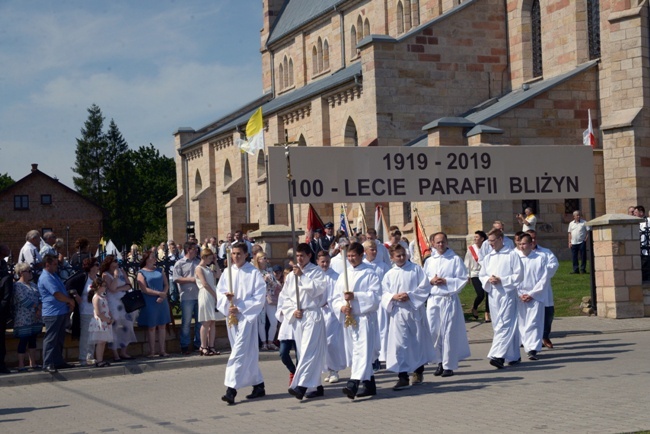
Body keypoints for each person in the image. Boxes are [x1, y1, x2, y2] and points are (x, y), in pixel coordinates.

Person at [216, 242, 267, 405]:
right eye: (233, 254)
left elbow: (259, 296)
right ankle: (258, 385)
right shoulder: (227, 272)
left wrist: (240, 307)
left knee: (238, 352)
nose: (235, 257)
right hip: (232, 318)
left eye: (239, 254)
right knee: (247, 352)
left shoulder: (253, 273)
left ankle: (231, 390)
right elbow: (220, 292)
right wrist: (227, 302)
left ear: (246, 255)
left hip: (246, 317)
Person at [331, 241, 381, 399]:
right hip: (350, 319)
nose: (351, 259)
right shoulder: (343, 275)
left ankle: (353, 384)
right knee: (356, 352)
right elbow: (335, 298)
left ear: (361, 255)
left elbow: (376, 297)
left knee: (362, 351)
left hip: (365, 318)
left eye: (354, 256)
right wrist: (341, 307)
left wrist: (356, 296)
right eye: (349, 256)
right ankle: (369, 384)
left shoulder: (370, 273)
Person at [382, 244, 434, 390]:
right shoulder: (389, 274)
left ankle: (418, 372)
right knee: (400, 344)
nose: (402, 257)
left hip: (413, 310)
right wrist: (394, 296)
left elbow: (424, 287)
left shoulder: (416, 269)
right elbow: (383, 293)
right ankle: (402, 376)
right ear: (392, 257)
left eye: (403, 254)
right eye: (398, 256)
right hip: (398, 313)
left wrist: (410, 296)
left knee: (417, 342)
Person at [281, 243, 327, 400]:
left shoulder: (316, 272)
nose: (299, 259)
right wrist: (292, 311)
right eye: (297, 256)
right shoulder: (291, 276)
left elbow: (318, 290)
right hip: (298, 317)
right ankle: (315, 386)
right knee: (303, 352)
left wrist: (302, 276)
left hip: (312, 315)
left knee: (309, 351)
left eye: (302, 256)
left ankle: (300, 386)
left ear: (309, 256)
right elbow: (285, 297)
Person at [421, 232, 471, 377]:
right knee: (434, 331)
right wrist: (431, 281)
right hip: (434, 299)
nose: (440, 245)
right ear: (433, 243)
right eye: (438, 242)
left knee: (448, 332)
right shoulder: (430, 261)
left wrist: (447, 281)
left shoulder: (455, 259)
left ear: (447, 242)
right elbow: (424, 279)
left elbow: (462, 278)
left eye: (443, 242)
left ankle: (449, 365)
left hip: (448, 299)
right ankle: (439, 362)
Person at [479, 229, 524, 369]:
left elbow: (519, 275)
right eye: (489, 241)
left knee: (504, 324)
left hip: (507, 294)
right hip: (493, 295)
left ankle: (497, 356)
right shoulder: (488, 257)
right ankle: (514, 355)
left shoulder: (512, 255)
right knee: (498, 324)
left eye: (492, 240)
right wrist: (488, 279)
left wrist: (502, 280)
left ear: (501, 239)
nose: (490, 244)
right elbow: (482, 274)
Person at [38, 254, 75, 373]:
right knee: (51, 339)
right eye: (54, 264)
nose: (56, 266)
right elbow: (57, 294)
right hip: (52, 313)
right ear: (47, 264)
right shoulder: (46, 277)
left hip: (60, 311)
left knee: (59, 339)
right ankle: (47, 363)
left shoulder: (53, 275)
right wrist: (69, 300)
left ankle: (58, 361)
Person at [516, 234, 549, 361]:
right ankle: (524, 344)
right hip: (519, 296)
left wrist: (532, 294)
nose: (521, 246)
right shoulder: (516, 258)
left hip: (535, 296)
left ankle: (532, 349)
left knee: (534, 322)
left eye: (524, 244)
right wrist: (519, 294)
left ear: (531, 244)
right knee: (522, 322)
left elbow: (543, 279)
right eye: (519, 244)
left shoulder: (540, 258)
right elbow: (513, 278)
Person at [527, 230, 559, 349]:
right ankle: (532, 339)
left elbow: (553, 265)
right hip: (527, 290)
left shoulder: (545, 252)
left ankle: (545, 336)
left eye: (535, 238)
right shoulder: (519, 254)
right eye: (530, 238)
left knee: (548, 314)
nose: (533, 241)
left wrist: (540, 272)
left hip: (544, 289)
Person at [317, 251, 345, 384]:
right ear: (318, 261)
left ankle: (334, 369)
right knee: (321, 342)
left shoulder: (336, 277)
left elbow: (338, 294)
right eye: (322, 261)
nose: (325, 264)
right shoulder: (315, 275)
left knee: (331, 341)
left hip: (332, 313)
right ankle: (327, 368)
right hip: (318, 313)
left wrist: (329, 302)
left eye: (327, 261)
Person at [101, 256, 137, 361]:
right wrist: (116, 277)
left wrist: (119, 288)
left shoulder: (122, 271)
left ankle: (124, 351)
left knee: (128, 325)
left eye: (116, 262)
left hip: (124, 301)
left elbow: (129, 285)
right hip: (113, 303)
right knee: (114, 327)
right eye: (113, 262)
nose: (116, 264)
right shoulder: (105, 275)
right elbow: (111, 289)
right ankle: (115, 354)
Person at [65, 257, 100, 366]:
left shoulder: (98, 279)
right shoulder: (83, 277)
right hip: (85, 310)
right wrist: (75, 295)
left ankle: (90, 356)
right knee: (85, 335)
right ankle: (82, 357)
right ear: (90, 267)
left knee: (94, 335)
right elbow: (69, 284)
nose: (98, 267)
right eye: (96, 265)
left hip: (96, 311)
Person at [137, 250, 171, 358]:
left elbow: (166, 284)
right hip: (150, 301)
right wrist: (158, 293)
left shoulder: (160, 270)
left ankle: (162, 350)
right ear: (146, 259)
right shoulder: (141, 272)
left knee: (162, 326)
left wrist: (163, 294)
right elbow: (144, 289)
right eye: (152, 257)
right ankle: (152, 351)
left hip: (162, 301)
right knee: (151, 327)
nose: (154, 258)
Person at [362, 239, 390, 370]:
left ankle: (381, 356)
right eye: (371, 250)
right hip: (368, 304)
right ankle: (371, 358)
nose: (374, 252)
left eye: (375, 250)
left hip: (381, 304)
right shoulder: (362, 266)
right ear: (365, 251)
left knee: (382, 331)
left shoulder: (383, 266)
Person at [12, 262, 43, 371]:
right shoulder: (17, 286)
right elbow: (23, 300)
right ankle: (21, 365)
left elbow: (40, 297)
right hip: (23, 317)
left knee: (33, 340)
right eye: (28, 271)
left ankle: (33, 363)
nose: (31, 273)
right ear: (21, 273)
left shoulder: (33, 285)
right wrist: (37, 308)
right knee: (23, 340)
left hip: (34, 317)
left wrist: (39, 306)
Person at [172, 242, 201, 354]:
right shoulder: (180, 263)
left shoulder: (198, 262)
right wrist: (192, 279)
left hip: (199, 295)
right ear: (188, 249)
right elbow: (176, 278)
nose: (197, 251)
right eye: (195, 249)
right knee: (186, 323)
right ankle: (184, 345)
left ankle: (197, 344)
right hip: (187, 297)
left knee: (200, 322)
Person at [252, 252, 281, 351]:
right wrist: (262, 280)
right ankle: (264, 343)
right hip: (260, 298)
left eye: (266, 258)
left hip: (269, 298)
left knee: (273, 320)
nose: (265, 260)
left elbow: (274, 285)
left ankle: (270, 341)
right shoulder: (255, 271)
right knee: (262, 322)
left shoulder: (269, 270)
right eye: (264, 258)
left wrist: (269, 280)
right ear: (258, 259)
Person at [196, 248, 222, 356]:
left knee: (212, 321)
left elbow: (219, 275)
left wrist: (216, 263)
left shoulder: (208, 268)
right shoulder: (199, 268)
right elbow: (204, 284)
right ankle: (203, 346)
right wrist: (215, 295)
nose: (211, 260)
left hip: (212, 294)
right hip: (206, 294)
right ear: (204, 257)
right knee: (206, 322)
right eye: (210, 258)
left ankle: (211, 346)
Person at [87, 278, 113, 367]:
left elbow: (107, 309)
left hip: (105, 321)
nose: (105, 288)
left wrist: (110, 317)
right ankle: (99, 360)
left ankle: (100, 359)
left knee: (103, 342)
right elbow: (98, 312)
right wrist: (107, 319)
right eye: (104, 286)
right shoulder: (96, 297)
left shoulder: (103, 297)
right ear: (98, 287)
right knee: (100, 342)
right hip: (100, 322)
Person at [465, 230, 490, 322]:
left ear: (482, 239)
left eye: (477, 237)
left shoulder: (487, 248)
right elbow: (467, 263)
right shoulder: (471, 249)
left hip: (486, 273)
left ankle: (487, 313)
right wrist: (467, 275)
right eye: (474, 237)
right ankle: (474, 308)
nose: (475, 239)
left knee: (488, 294)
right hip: (475, 274)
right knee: (480, 294)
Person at [567, 210, 590, 274]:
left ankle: (583, 269)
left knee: (583, 256)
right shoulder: (571, 224)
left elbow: (588, 232)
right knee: (574, 257)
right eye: (577, 215)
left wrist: (585, 240)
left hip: (581, 242)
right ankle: (575, 269)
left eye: (579, 215)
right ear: (574, 216)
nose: (578, 216)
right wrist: (569, 242)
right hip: (573, 242)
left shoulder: (584, 222)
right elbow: (569, 233)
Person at [634, 205, 650, 282]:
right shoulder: (636, 223)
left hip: (646, 250)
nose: (634, 214)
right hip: (641, 250)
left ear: (641, 212)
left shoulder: (648, 221)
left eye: (636, 212)